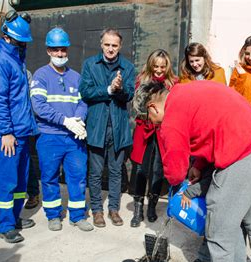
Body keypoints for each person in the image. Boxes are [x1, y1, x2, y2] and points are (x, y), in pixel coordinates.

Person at [133, 80, 251, 262]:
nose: (153, 124)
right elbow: (210, 128)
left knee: (219, 224)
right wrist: (200, 165)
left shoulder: (171, 117)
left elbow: (175, 168)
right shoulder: (191, 91)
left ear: (152, 107)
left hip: (242, 158)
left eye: (149, 120)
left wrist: (176, 188)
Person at [0, 11, 38, 243]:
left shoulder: (15, 59)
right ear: (6, 37)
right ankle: (5, 225)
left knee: (21, 181)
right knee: (7, 180)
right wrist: (5, 132)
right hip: (7, 134)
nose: (22, 45)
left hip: (21, 131)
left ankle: (14, 217)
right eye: (19, 41)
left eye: (24, 42)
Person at [30, 27, 92, 232]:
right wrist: (66, 120)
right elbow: (39, 107)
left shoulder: (76, 76)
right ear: (48, 50)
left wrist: (79, 119)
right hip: (49, 136)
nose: (59, 54)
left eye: (63, 50)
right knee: (49, 178)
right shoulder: (40, 75)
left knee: (78, 177)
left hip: (74, 138)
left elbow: (83, 102)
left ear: (67, 50)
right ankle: (53, 215)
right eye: (55, 50)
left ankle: (77, 216)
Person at [80, 28, 136, 228]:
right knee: (95, 173)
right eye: (107, 44)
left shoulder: (128, 67)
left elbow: (129, 94)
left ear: (120, 46)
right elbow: (85, 92)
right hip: (97, 128)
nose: (111, 49)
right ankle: (96, 210)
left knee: (115, 171)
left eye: (114, 45)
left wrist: (119, 90)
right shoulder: (90, 65)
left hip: (118, 128)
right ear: (101, 44)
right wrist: (108, 90)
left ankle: (114, 209)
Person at [129, 49, 177, 227]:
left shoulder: (173, 82)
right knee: (141, 169)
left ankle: (152, 207)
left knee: (158, 169)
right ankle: (138, 208)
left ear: (167, 67)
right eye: (155, 66)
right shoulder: (142, 80)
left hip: (163, 130)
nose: (158, 70)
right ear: (150, 65)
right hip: (145, 128)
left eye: (162, 67)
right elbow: (137, 106)